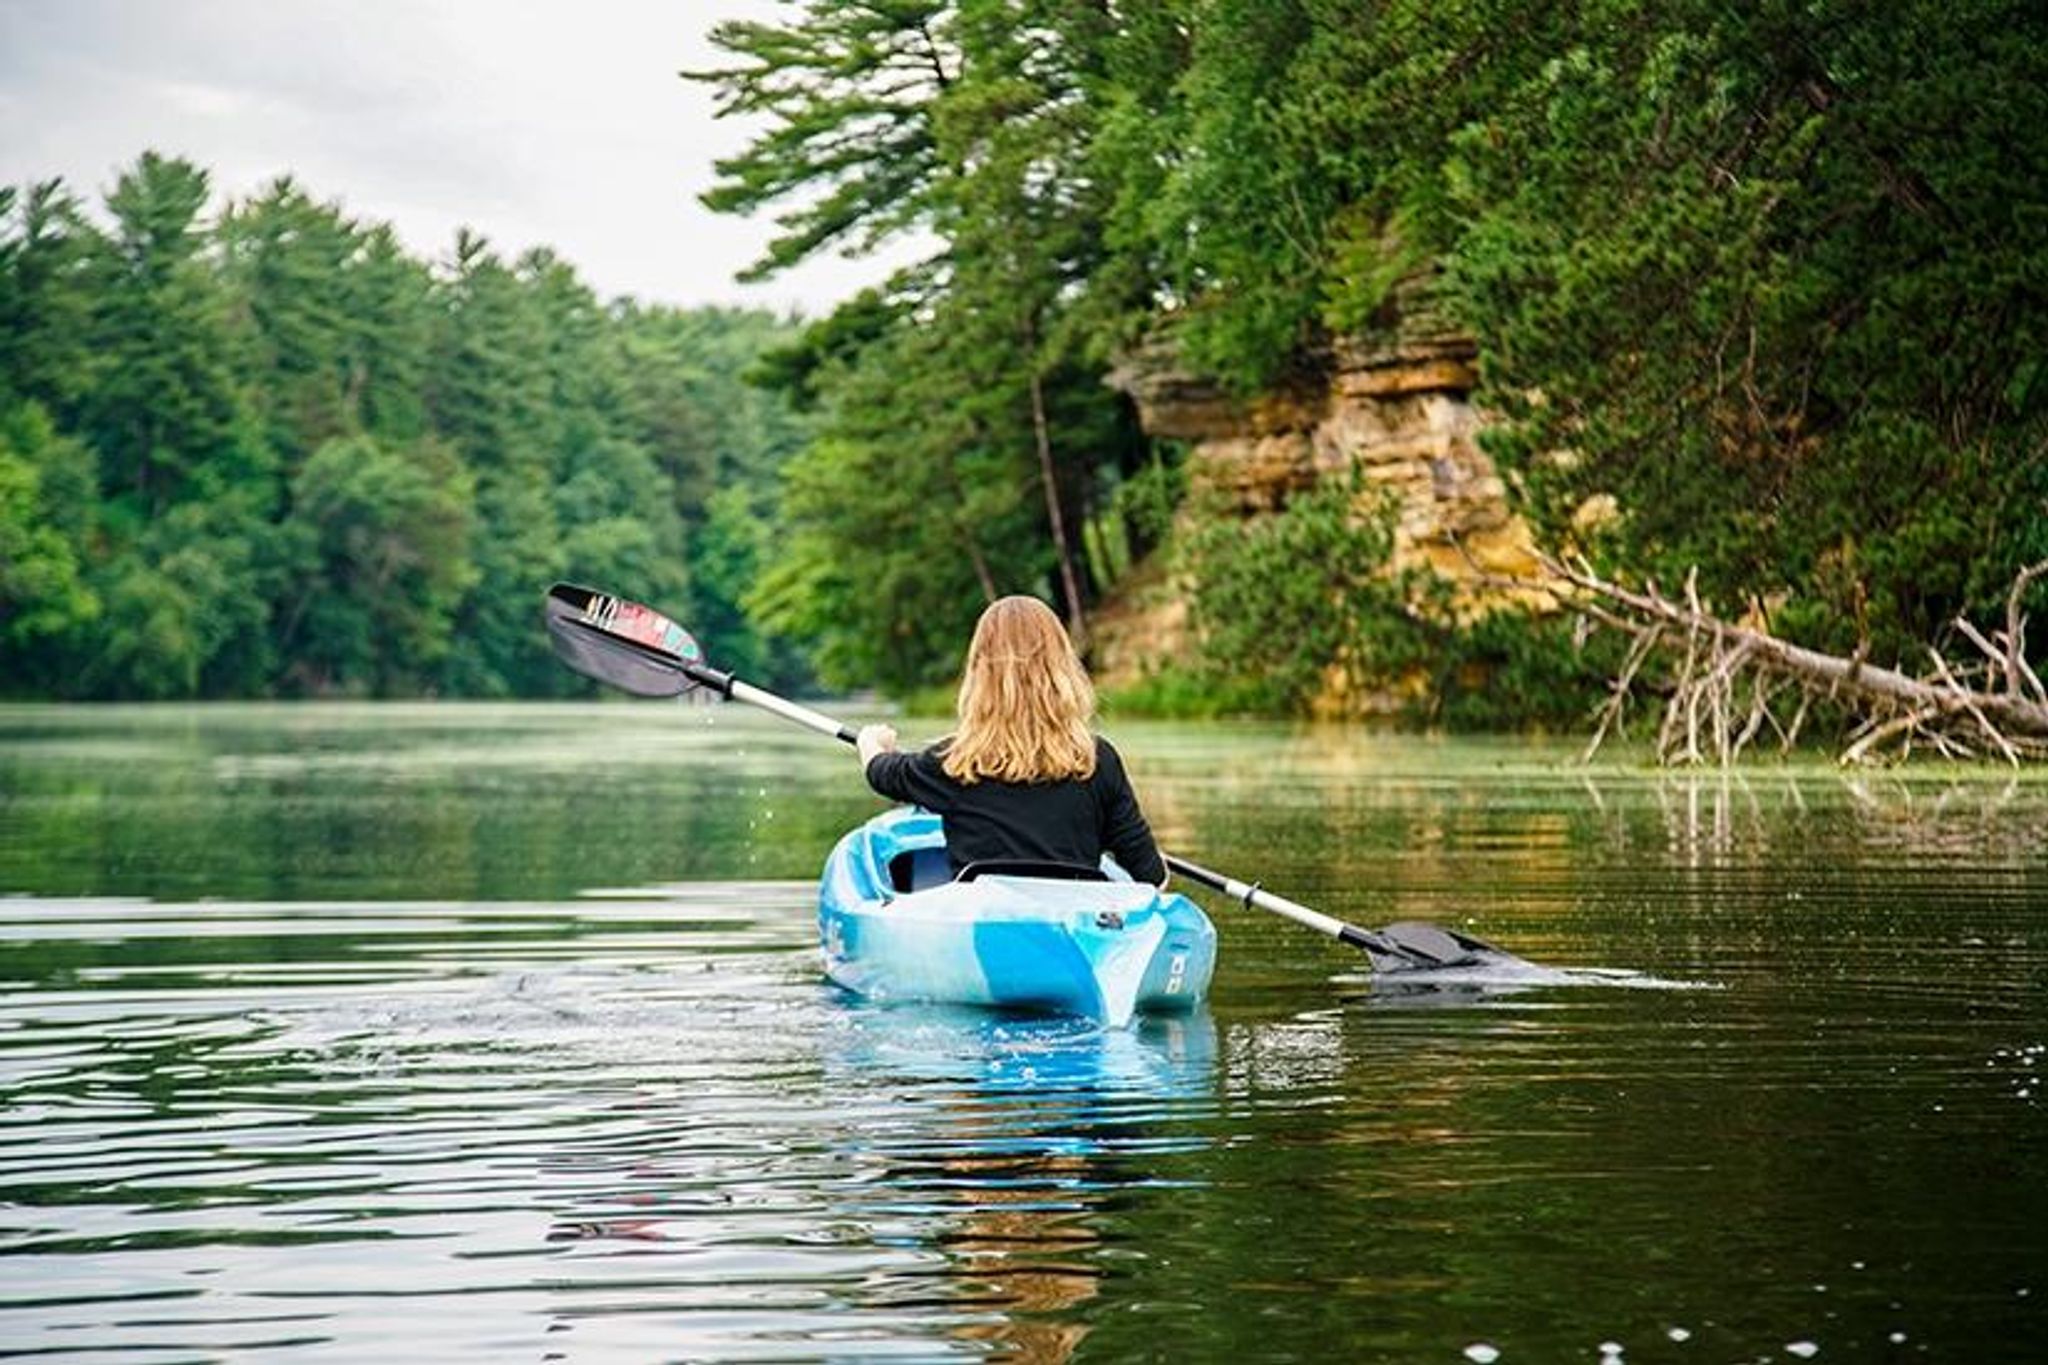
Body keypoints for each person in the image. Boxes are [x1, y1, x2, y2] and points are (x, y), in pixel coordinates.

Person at [856, 595, 1168, 886]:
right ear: (1062, 667)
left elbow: (883, 773)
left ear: (979, 672)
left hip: (983, 920)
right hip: (1071, 918)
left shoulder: (954, 762)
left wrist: (871, 741)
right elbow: (1152, 877)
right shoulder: (1097, 760)